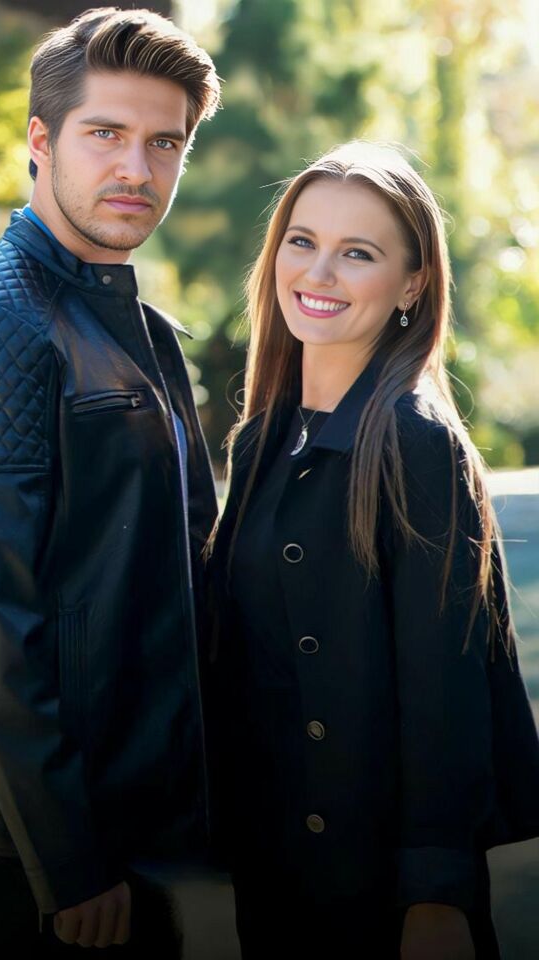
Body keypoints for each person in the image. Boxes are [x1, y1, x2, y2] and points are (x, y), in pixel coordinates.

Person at [0, 8, 220, 957]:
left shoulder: (137, 326)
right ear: (40, 141)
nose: (137, 170)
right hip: (37, 835)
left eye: (164, 143)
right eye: (105, 134)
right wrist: (66, 858)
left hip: (127, 805)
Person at [207, 142, 539, 959]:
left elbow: (445, 687)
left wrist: (437, 895)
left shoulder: (414, 443)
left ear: (413, 284)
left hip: (382, 897)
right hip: (276, 876)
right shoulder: (262, 439)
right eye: (302, 241)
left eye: (357, 253)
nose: (317, 273)